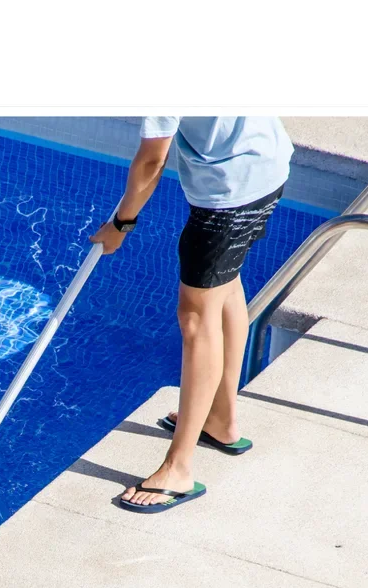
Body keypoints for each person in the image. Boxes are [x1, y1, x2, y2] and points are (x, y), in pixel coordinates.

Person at [90, 116, 294, 513]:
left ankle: (178, 469)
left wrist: (121, 222)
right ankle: (221, 419)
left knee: (195, 319)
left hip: (228, 194)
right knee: (225, 286)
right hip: (265, 166)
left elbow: (153, 160)